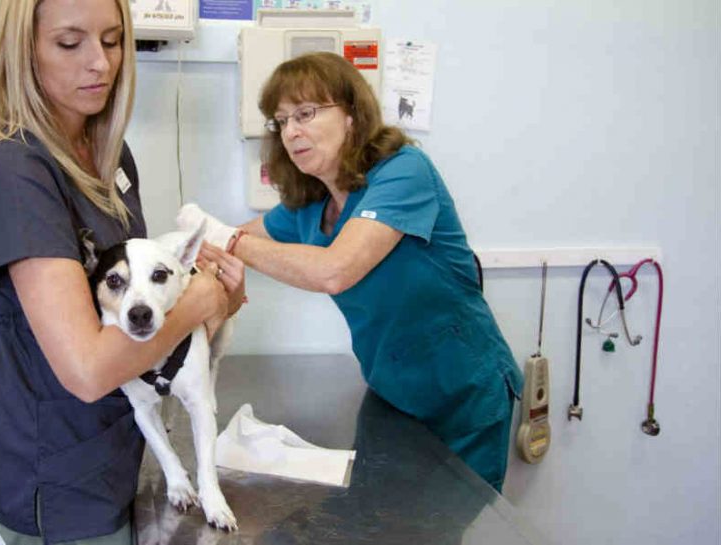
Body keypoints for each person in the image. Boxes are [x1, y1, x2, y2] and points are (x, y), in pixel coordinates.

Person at [0, 0, 245, 543]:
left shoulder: (106, 153)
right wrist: (197, 302)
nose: (100, 63)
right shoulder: (13, 173)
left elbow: (127, 297)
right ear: (25, 52)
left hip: (119, 449)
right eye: (70, 44)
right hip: (63, 474)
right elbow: (88, 369)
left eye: (113, 41)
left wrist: (189, 283)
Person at [179, 52, 523, 492]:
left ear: (351, 116)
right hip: (391, 389)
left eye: (305, 113)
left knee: (448, 526)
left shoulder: (404, 172)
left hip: (464, 394)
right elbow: (230, 241)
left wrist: (230, 242)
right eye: (281, 121)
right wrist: (181, 260)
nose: (291, 132)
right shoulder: (308, 205)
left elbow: (334, 271)